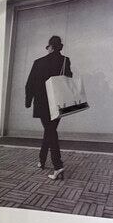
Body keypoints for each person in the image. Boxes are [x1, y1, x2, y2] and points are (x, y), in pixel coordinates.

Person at [24, 35, 72, 180]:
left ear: (50, 47)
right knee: (50, 130)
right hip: (58, 103)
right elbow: (68, 79)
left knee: (50, 131)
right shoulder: (65, 60)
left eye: (48, 47)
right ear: (59, 47)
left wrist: (28, 101)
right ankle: (42, 160)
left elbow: (30, 84)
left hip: (42, 103)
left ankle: (58, 166)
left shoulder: (39, 62)